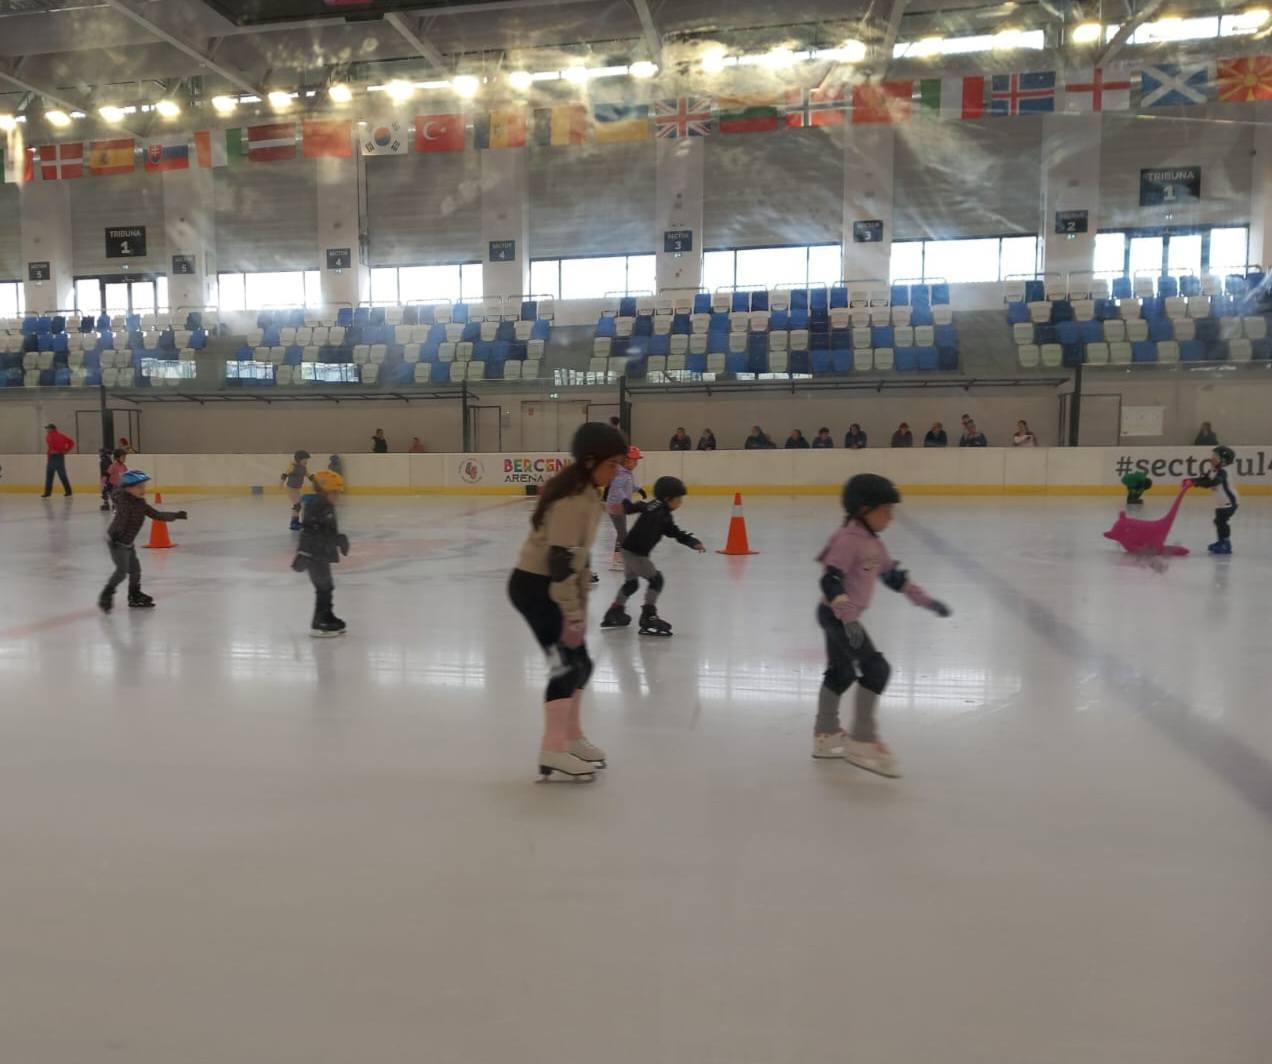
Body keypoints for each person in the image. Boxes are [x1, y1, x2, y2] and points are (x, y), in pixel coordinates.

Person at [508, 422, 628, 781]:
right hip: (536, 587)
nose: (617, 471)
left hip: (554, 586)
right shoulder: (572, 501)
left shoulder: (588, 494)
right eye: (612, 464)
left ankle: (571, 737)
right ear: (590, 461)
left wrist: (581, 600)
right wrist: (572, 612)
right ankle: (553, 748)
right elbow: (559, 561)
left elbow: (579, 556)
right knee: (565, 666)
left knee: (582, 664)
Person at [812, 474, 951, 776]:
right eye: (885, 510)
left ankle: (826, 733)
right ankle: (862, 739)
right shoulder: (848, 540)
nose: (890, 517)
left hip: (838, 616)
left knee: (842, 673)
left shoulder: (872, 543)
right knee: (876, 669)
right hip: (838, 616)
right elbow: (831, 580)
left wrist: (926, 601)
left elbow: (892, 577)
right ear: (864, 509)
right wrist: (848, 618)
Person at [601, 476, 705, 637]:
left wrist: (627, 506)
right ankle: (648, 616)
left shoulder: (654, 505)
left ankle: (614, 612)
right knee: (657, 580)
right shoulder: (662, 516)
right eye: (678, 499)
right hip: (637, 554)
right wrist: (691, 541)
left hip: (627, 549)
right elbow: (673, 532)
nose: (680, 503)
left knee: (631, 584)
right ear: (668, 498)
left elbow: (639, 506)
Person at [97, 470, 188, 613]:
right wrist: (114, 536)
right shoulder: (125, 504)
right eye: (139, 487)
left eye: (144, 486)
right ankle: (106, 595)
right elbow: (121, 520)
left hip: (128, 543)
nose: (143, 490)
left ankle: (134, 595)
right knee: (121, 572)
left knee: (135, 570)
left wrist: (175, 515)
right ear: (128, 488)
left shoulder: (140, 503)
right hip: (117, 542)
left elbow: (156, 514)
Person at [292, 470, 350, 636]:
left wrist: (339, 539)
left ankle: (326, 615)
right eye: (334, 492)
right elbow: (312, 532)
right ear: (324, 491)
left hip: (321, 553)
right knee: (323, 586)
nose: (337, 496)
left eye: (338, 492)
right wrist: (304, 553)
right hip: (314, 554)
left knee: (326, 585)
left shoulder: (326, 505)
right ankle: (319, 622)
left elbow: (327, 531)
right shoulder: (317, 506)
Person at [1192, 445, 1239, 554]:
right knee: (1218, 521)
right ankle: (1221, 541)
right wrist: (1192, 481)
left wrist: (1198, 484)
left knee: (1221, 521)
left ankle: (1226, 544)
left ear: (1223, 461)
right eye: (1213, 456)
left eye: (1216, 457)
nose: (1212, 458)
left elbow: (1214, 482)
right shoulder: (1213, 470)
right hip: (1221, 503)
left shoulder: (1223, 471)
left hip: (1229, 503)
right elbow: (1204, 479)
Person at [605, 446, 645, 571]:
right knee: (622, 533)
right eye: (635, 460)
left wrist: (639, 489)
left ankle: (620, 558)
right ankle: (617, 560)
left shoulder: (627, 473)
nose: (636, 463)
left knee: (622, 532)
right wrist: (625, 500)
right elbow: (617, 489)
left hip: (620, 506)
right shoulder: (620, 473)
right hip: (616, 506)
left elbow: (630, 486)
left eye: (637, 460)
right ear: (626, 460)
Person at [280, 449, 311, 531]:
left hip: (297, 489)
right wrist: (281, 484)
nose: (306, 461)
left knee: (298, 506)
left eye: (307, 460)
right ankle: (293, 523)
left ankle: (295, 522)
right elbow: (284, 475)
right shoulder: (293, 466)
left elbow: (309, 475)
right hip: (291, 488)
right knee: (297, 505)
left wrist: (316, 481)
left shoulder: (304, 467)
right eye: (304, 459)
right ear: (298, 459)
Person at [41, 423, 74, 498]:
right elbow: (71, 442)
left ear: (52, 429)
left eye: (48, 428)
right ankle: (68, 491)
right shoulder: (61, 435)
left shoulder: (49, 436)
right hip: (59, 456)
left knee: (49, 475)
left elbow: (52, 446)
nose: (47, 430)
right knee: (62, 475)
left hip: (53, 457)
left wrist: (53, 451)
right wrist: (65, 450)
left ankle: (47, 493)